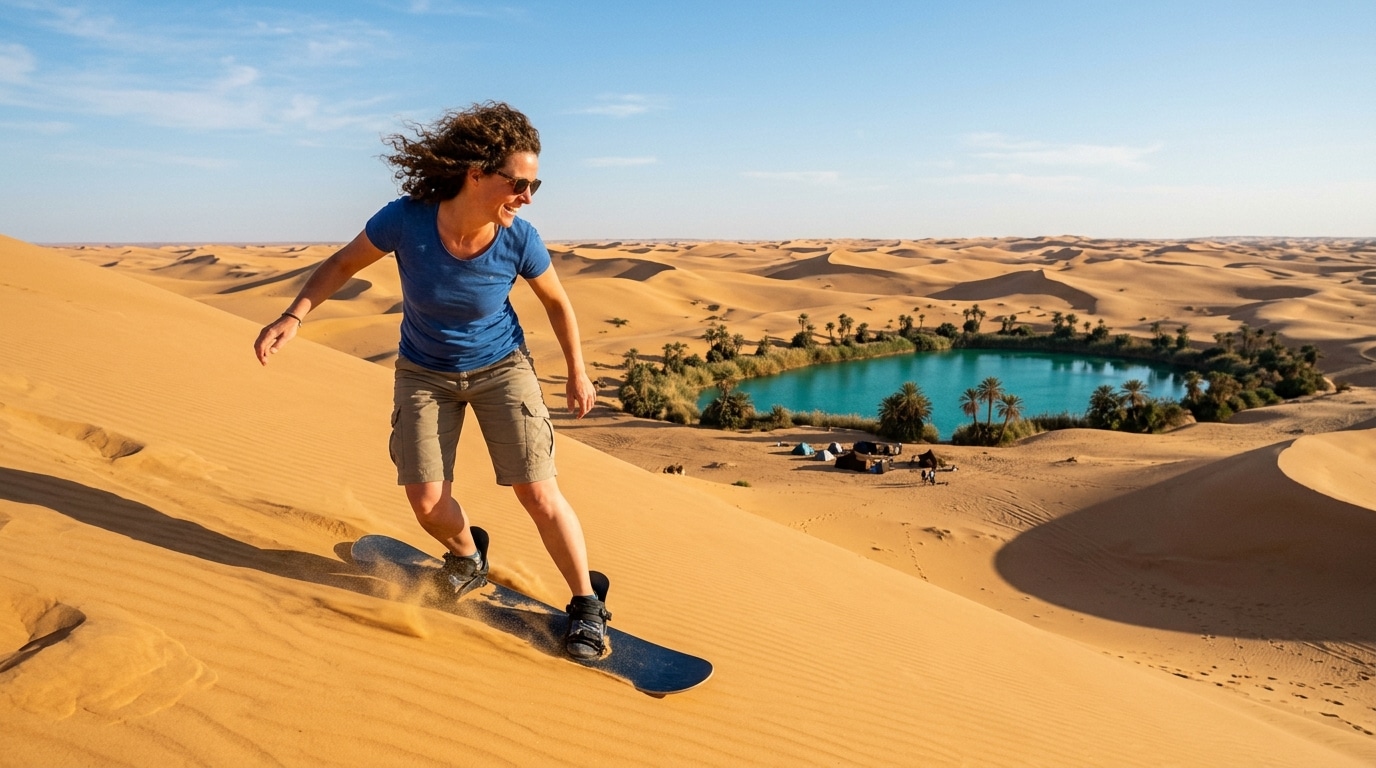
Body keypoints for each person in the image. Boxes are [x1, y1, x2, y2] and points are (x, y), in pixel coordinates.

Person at [253, 102, 610, 660]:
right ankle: (469, 558)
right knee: (424, 500)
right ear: (476, 174)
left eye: (536, 184)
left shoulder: (520, 238)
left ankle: (587, 606)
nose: (528, 197)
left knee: (537, 493)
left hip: (501, 368)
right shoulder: (407, 219)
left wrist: (577, 372)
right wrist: (292, 316)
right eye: (519, 183)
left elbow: (558, 304)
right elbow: (343, 264)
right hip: (424, 372)